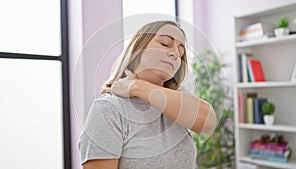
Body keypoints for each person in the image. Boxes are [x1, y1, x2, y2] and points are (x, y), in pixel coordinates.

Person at [78, 20, 217, 169]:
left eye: (181, 52)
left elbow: (208, 122)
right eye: (164, 43)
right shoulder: (109, 107)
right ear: (138, 47)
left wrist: (137, 86)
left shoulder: (177, 97)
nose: (176, 53)